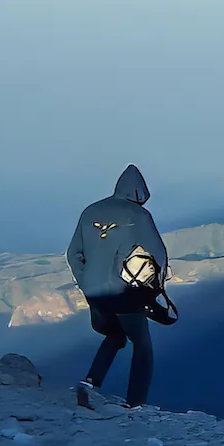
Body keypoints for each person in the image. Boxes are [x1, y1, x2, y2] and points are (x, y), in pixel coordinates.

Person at [67, 164, 169, 408]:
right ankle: (136, 404)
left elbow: (73, 253)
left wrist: (85, 281)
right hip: (121, 292)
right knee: (142, 345)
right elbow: (158, 254)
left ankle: (89, 383)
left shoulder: (90, 211)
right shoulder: (138, 215)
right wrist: (155, 288)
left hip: (93, 292)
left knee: (115, 335)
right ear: (140, 193)